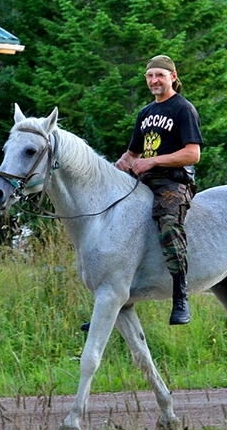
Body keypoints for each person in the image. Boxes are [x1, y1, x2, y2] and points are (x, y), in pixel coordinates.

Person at [81, 55, 203, 330]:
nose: (153, 81)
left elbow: (193, 153)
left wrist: (154, 161)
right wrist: (122, 163)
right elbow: (133, 152)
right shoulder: (146, 113)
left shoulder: (183, 109)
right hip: (143, 180)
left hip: (174, 182)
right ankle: (110, 303)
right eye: (150, 76)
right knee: (112, 218)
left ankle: (180, 295)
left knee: (168, 223)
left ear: (173, 76)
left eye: (159, 75)